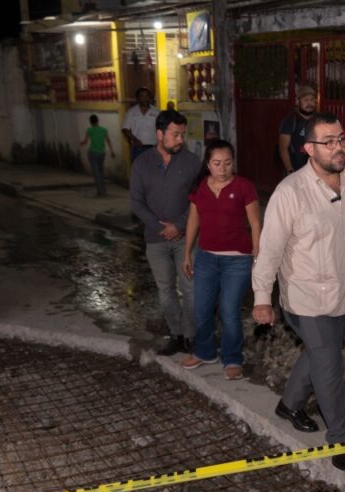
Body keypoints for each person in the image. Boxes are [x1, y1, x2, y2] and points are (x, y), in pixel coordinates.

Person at [252, 112, 345, 472]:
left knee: (318, 355)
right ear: (308, 149)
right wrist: (262, 298)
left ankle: (290, 404)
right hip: (306, 297)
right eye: (328, 142)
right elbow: (270, 251)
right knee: (329, 364)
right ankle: (341, 439)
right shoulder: (290, 192)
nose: (338, 147)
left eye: (341, 139)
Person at [181, 140, 262, 381]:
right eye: (217, 163)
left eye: (227, 163)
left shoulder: (244, 187)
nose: (223, 168)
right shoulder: (200, 188)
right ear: (208, 164)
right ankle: (205, 351)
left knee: (229, 311)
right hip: (206, 258)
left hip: (237, 261)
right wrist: (187, 252)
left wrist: (257, 256)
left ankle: (233, 357)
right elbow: (193, 221)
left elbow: (256, 223)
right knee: (202, 309)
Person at [131, 110, 201, 354]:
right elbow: (137, 202)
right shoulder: (142, 164)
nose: (181, 139)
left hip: (187, 238)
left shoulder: (192, 163)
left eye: (183, 134)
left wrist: (179, 226)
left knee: (191, 289)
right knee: (166, 290)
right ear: (160, 134)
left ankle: (192, 336)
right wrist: (160, 227)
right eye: (176, 134)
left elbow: (198, 200)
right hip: (155, 239)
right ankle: (176, 333)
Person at [277, 85, 317, 174]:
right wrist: (289, 170)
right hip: (295, 170)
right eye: (305, 100)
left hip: (315, 170)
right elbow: (283, 148)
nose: (309, 103)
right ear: (298, 102)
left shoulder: (319, 120)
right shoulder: (290, 121)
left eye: (312, 100)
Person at [78, 114, 115, 197]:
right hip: (101, 153)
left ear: (90, 122)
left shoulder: (89, 130)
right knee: (101, 172)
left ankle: (100, 192)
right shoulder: (104, 130)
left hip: (93, 153)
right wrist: (112, 150)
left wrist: (81, 143)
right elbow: (108, 140)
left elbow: (85, 141)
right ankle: (103, 190)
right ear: (98, 121)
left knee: (96, 173)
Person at [122, 87, 157, 161]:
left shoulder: (156, 112)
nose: (145, 98)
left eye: (147, 96)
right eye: (142, 96)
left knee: (153, 170)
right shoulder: (131, 112)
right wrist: (135, 140)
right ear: (138, 98)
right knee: (138, 170)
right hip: (138, 149)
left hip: (153, 148)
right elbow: (125, 129)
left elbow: (161, 128)